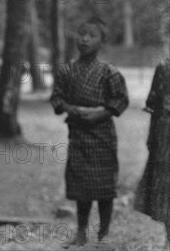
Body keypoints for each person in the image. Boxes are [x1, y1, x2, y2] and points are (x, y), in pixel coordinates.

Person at [50, 16, 129, 246]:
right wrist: (68, 108)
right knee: (81, 186)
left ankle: (103, 235)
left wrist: (99, 114)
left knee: (104, 188)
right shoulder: (66, 71)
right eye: (82, 33)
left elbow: (120, 100)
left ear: (102, 42)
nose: (85, 39)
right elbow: (56, 97)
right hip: (79, 136)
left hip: (102, 136)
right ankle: (81, 232)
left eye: (91, 35)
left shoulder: (109, 73)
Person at [135, 58, 170, 249]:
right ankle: (168, 238)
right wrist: (153, 138)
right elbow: (154, 105)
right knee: (165, 186)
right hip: (165, 135)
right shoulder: (164, 68)